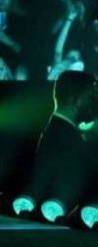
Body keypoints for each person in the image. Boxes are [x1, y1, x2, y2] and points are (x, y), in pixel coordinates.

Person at [26, 70, 98, 221]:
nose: (95, 103)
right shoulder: (68, 141)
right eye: (91, 97)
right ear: (77, 101)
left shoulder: (57, 133)